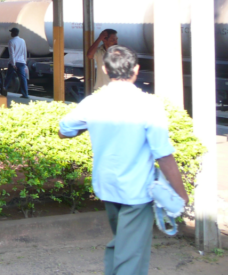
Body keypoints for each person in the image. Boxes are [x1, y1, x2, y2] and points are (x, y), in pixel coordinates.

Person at [58, 45, 188, 275]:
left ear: (105, 69)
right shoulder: (149, 105)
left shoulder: (92, 103)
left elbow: (64, 129)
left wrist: (87, 127)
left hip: (107, 187)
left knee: (122, 244)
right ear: (136, 70)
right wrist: (181, 193)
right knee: (131, 256)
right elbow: (163, 155)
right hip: (136, 191)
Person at [7, 27, 29, 98]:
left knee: (8, 77)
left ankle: (3, 90)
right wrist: (25, 61)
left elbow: (12, 54)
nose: (10, 34)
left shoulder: (11, 41)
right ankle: (25, 94)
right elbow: (24, 52)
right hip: (22, 62)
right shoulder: (22, 41)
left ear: (13, 33)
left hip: (14, 62)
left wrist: (13, 64)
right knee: (23, 78)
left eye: (11, 32)